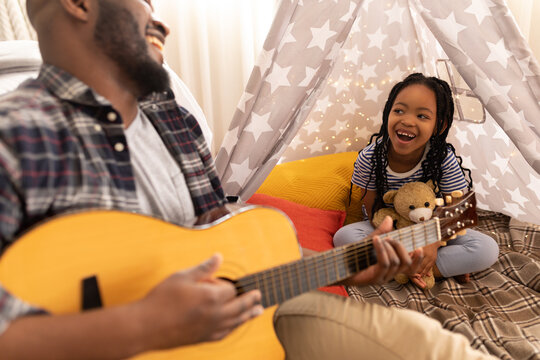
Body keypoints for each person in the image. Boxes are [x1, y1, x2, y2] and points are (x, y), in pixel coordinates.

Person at [0, 1, 497, 359]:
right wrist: (141, 325)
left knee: (437, 350)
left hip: (250, 310)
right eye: (143, 3)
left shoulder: (175, 121)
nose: (161, 21)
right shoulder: (16, 136)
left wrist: (345, 267)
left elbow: (227, 241)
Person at [333, 73, 499, 289]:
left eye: (422, 116)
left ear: (439, 126)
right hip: (391, 230)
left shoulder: (442, 158)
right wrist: (397, 238)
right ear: (387, 114)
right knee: (345, 237)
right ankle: (429, 269)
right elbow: (370, 208)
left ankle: (412, 268)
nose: (407, 121)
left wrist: (432, 241)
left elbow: (460, 210)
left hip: (434, 228)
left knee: (487, 248)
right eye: (399, 110)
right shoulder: (370, 157)